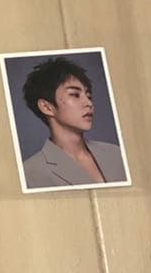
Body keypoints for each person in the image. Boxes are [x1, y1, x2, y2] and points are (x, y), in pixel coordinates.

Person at [21, 57, 126, 188]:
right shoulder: (30, 173)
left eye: (89, 96)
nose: (89, 103)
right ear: (47, 107)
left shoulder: (116, 153)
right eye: (75, 95)